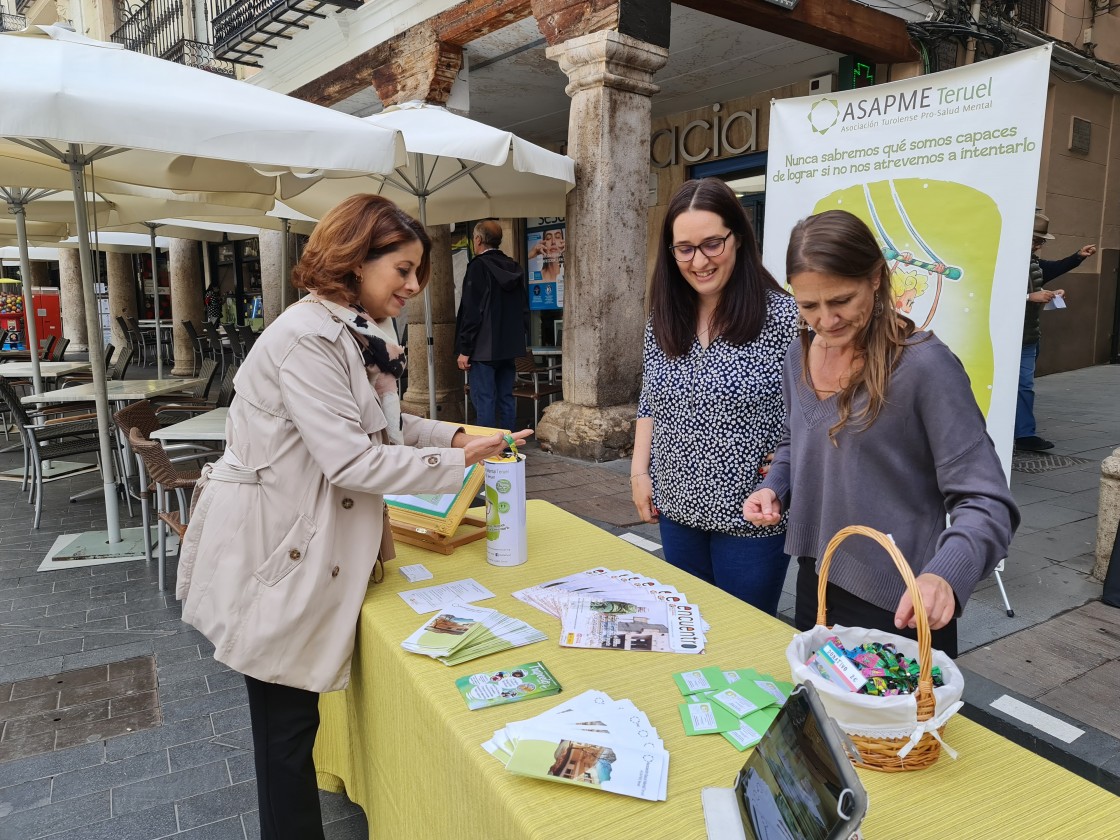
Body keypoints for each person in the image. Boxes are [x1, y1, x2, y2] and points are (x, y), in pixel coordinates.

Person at [176, 194, 531, 840]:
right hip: (276, 553)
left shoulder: (358, 330)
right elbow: (352, 461)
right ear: (353, 260)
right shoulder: (306, 339)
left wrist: (456, 439)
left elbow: (387, 425)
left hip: (300, 543)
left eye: (418, 270)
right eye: (402, 269)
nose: (415, 286)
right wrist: (456, 470)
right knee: (285, 739)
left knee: (291, 731)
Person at [743, 209, 1019, 658]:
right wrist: (774, 487)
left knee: (896, 730)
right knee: (824, 722)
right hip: (815, 580)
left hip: (901, 603)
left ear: (877, 278)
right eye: (808, 305)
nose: (826, 321)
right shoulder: (799, 352)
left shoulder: (924, 367)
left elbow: (986, 500)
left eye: (841, 300)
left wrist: (944, 574)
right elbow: (800, 441)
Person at [631, 177, 798, 615]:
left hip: (750, 514)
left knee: (745, 635)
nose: (698, 261)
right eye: (684, 248)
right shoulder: (665, 317)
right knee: (690, 628)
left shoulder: (782, 316)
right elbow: (649, 399)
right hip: (675, 505)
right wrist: (638, 473)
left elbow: (810, 413)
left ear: (738, 240)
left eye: (712, 244)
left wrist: (784, 470)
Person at [1015, 212, 1097, 451]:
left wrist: (1076, 259)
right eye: (1036, 240)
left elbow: (1048, 271)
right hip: (1004, 337)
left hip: (1028, 335)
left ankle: (1024, 435)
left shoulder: (1032, 262)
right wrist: (1030, 297)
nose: (1039, 246)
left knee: (1024, 386)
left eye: (1042, 242)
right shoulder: (1002, 259)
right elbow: (990, 295)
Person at [455, 219, 528, 429]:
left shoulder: (478, 267)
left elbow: (472, 311)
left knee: (484, 400)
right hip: (509, 347)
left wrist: (465, 349)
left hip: (484, 349)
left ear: (478, 240)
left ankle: (487, 453)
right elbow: (523, 308)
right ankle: (507, 449)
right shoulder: (514, 267)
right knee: (506, 397)